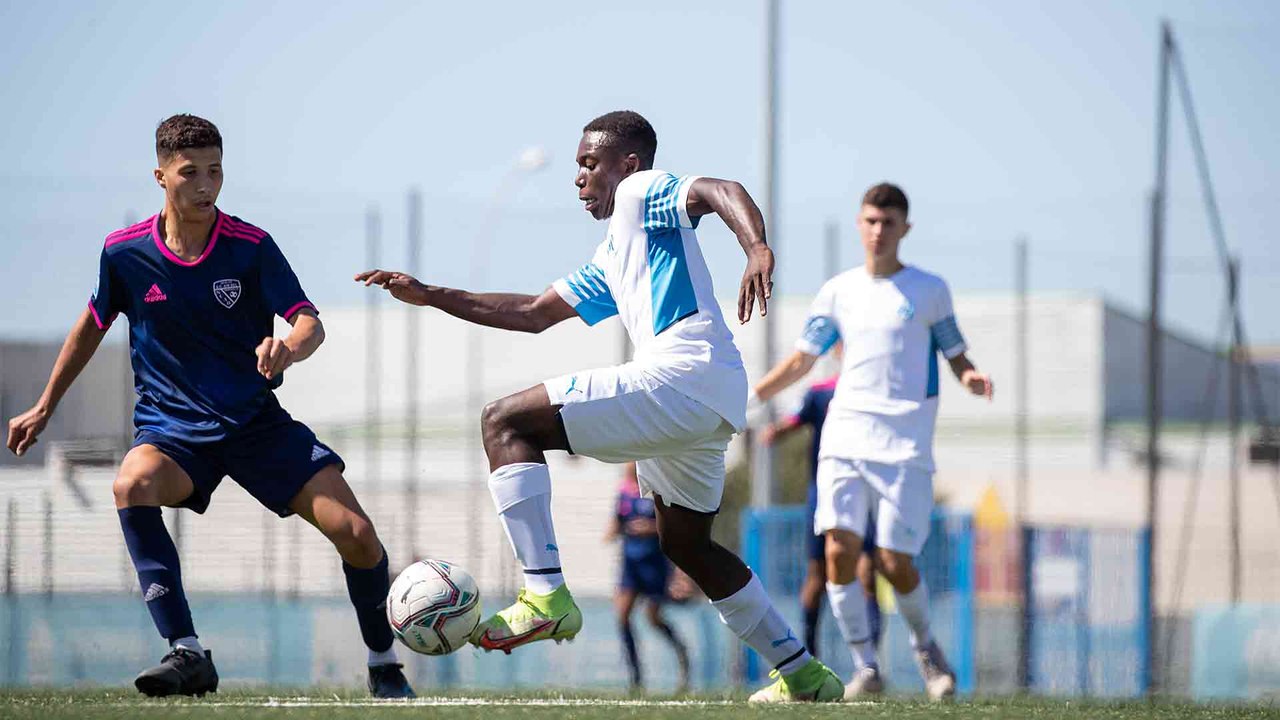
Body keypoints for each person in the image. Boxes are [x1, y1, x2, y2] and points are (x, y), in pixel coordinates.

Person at [358, 110, 842, 703]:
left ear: (628, 165)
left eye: (588, 164)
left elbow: (719, 190)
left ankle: (545, 597)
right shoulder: (615, 253)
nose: (579, 179)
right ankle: (804, 674)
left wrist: (757, 246)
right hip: (706, 399)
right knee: (687, 546)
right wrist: (432, 295)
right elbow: (533, 313)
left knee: (503, 422)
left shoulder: (641, 193)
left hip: (681, 374)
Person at [4, 115, 413, 699]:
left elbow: (307, 322)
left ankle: (382, 661)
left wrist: (286, 350)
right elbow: (93, 325)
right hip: (173, 431)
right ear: (160, 176)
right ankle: (187, 652)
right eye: (190, 172)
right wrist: (45, 405)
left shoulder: (250, 246)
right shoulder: (124, 254)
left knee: (357, 534)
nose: (205, 185)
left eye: (215, 171)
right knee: (131, 484)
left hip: (255, 425)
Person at [752, 183, 993, 700]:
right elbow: (802, 359)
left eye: (888, 222)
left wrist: (971, 377)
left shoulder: (929, 290)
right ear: (859, 225)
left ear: (905, 228)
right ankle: (866, 666)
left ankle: (926, 647)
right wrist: (750, 397)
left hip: (905, 446)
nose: (878, 231)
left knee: (892, 561)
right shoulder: (838, 291)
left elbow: (956, 353)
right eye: (870, 221)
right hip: (844, 437)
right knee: (838, 550)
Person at [757, 348, 883, 659]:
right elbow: (795, 421)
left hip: (864, 490)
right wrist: (773, 431)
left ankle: (869, 661)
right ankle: (810, 657)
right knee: (818, 574)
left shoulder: (874, 392)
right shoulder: (820, 392)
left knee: (868, 572)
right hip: (824, 493)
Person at [605, 462, 691, 693]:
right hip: (630, 564)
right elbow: (616, 524)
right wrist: (612, 531)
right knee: (622, 616)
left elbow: (673, 529)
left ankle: (683, 658)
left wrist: (651, 528)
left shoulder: (657, 490)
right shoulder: (623, 492)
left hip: (654, 564)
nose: (627, 465)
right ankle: (636, 678)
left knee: (653, 618)